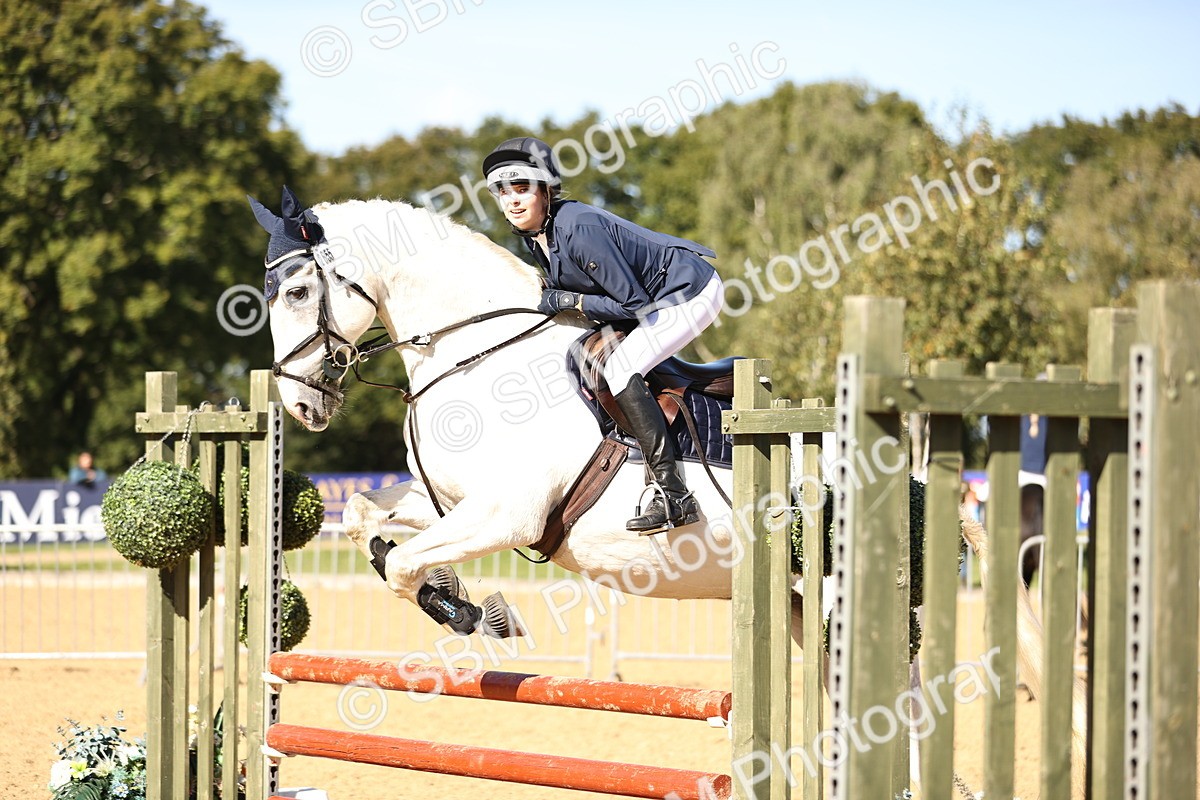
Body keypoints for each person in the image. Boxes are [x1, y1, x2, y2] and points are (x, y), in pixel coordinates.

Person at [481, 137, 724, 533]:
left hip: (688, 291)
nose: (512, 201)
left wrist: (569, 299)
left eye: (522, 188)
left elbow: (634, 305)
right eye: (502, 192)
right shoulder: (537, 235)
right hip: (655, 298)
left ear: (545, 190)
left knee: (622, 368)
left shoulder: (578, 228)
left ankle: (674, 495)